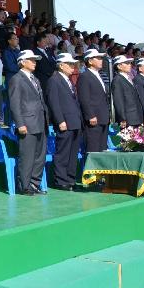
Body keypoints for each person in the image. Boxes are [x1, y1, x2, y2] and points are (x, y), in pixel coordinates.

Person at [8, 50, 48, 195]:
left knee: (39, 156)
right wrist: (20, 123)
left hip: (40, 122)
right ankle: (24, 185)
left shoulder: (35, 79)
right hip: (28, 123)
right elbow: (15, 103)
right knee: (27, 156)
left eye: (35, 60)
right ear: (23, 62)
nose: (34, 62)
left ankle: (34, 184)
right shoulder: (17, 79)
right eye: (31, 60)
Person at [45, 53, 82, 191]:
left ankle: (70, 178)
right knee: (63, 152)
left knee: (72, 152)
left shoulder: (68, 80)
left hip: (75, 121)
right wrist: (60, 120)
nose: (73, 67)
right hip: (65, 122)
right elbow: (53, 103)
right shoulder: (54, 80)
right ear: (61, 65)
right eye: (69, 64)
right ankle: (61, 180)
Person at [77, 49, 111, 154]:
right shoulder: (85, 76)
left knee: (102, 149)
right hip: (94, 119)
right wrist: (90, 115)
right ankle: (92, 171)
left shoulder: (98, 75)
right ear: (90, 61)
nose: (101, 60)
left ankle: (101, 171)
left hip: (103, 117)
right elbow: (84, 98)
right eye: (98, 58)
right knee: (93, 149)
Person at [111, 55, 144, 128]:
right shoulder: (117, 80)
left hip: (135, 117)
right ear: (119, 66)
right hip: (128, 119)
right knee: (129, 139)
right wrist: (122, 118)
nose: (130, 65)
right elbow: (118, 100)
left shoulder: (128, 78)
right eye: (126, 63)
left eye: (130, 63)